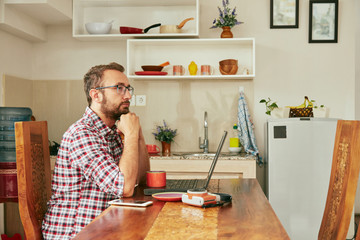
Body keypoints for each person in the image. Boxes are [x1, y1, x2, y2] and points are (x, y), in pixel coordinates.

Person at [42, 62, 150, 239]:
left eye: (128, 88)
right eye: (119, 88)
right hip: (76, 233)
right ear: (96, 95)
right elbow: (124, 188)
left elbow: (142, 179)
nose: (128, 95)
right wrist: (130, 135)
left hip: (103, 229)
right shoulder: (82, 134)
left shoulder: (111, 132)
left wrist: (137, 135)